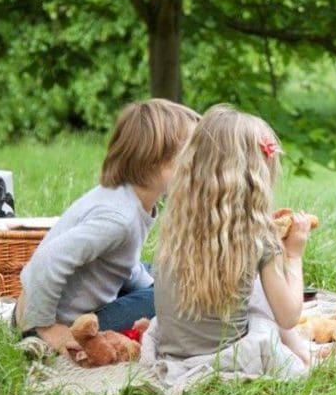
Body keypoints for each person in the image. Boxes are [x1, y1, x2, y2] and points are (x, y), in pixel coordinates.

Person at [15, 99, 200, 353]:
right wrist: (46, 328)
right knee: (172, 297)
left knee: (164, 275)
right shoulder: (118, 218)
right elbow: (46, 260)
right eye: (190, 157)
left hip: (73, 302)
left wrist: (150, 283)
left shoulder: (130, 200)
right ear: (156, 161)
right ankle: (41, 332)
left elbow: (121, 262)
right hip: (60, 319)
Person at [149, 105, 313, 368]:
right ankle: (301, 352)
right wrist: (293, 254)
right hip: (230, 358)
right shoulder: (258, 235)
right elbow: (288, 315)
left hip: (174, 353)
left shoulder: (177, 224)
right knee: (263, 309)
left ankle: (299, 349)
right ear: (256, 177)